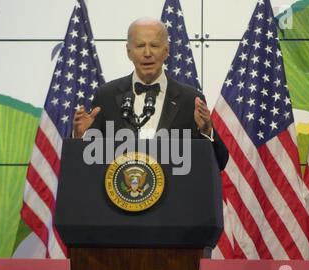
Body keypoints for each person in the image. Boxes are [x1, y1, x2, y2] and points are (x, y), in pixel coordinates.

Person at [73, 17, 228, 170]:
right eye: (140, 46)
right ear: (128, 52)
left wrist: (206, 131)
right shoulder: (106, 96)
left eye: (154, 45)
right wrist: (81, 137)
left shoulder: (190, 100)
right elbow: (86, 163)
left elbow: (219, 163)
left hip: (175, 194)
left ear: (166, 51)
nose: (147, 53)